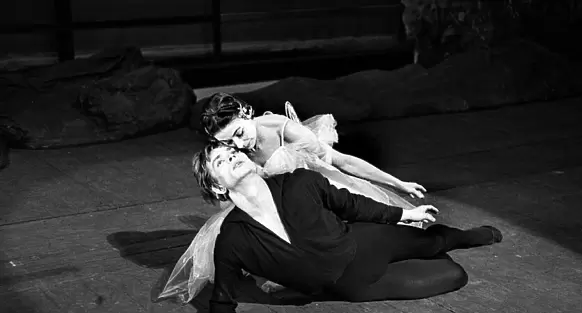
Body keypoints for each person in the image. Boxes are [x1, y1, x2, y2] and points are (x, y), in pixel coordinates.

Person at [197, 142, 502, 313]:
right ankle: (426, 251)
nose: (232, 156)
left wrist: (402, 215)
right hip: (353, 285)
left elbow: (352, 205)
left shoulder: (299, 182)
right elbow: (222, 298)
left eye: (232, 151)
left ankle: (463, 237)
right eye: (221, 161)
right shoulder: (233, 238)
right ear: (217, 187)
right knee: (454, 276)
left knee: (433, 241)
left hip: (367, 241)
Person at [156, 93, 428, 302]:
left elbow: (342, 162)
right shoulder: (234, 147)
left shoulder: (283, 130)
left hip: (318, 193)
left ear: (246, 113)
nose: (239, 147)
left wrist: (398, 184)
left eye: (239, 134)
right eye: (229, 143)